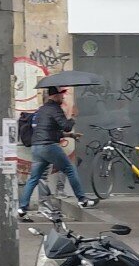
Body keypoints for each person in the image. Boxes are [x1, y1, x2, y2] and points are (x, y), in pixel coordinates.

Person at [18, 87, 96, 218]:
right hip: (49, 147)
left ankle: (22, 208)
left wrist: (71, 136)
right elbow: (66, 125)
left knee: (33, 178)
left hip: (37, 148)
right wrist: (72, 115)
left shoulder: (42, 110)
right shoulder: (55, 109)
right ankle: (82, 200)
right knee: (70, 169)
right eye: (61, 95)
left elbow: (50, 130)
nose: (63, 98)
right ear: (54, 96)